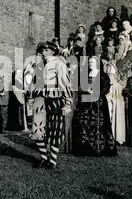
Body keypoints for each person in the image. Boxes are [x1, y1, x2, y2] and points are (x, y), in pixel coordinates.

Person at [34, 40, 72, 169]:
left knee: (55, 130)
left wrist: (67, 102)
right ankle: (44, 158)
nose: (43, 53)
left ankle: (53, 161)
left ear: (51, 50)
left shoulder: (58, 63)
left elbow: (65, 83)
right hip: (40, 98)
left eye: (45, 50)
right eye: (42, 51)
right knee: (37, 129)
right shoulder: (39, 65)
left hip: (55, 98)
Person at [72, 57, 117, 156]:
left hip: (98, 103)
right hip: (86, 103)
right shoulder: (85, 75)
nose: (90, 64)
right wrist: (85, 89)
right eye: (89, 62)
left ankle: (99, 148)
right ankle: (84, 148)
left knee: (99, 124)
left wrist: (96, 92)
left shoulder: (103, 75)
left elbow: (106, 88)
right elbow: (79, 87)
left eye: (92, 62)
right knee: (84, 123)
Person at [102, 59, 126, 145]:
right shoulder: (105, 86)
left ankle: (117, 136)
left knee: (115, 117)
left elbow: (119, 101)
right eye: (109, 75)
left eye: (112, 75)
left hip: (114, 105)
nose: (110, 77)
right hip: (107, 105)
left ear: (115, 76)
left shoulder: (118, 87)